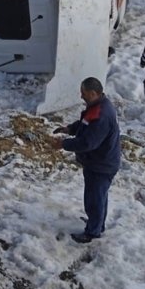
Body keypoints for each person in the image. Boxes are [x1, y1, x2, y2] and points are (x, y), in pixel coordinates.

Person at [52, 78, 121, 244]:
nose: (81, 96)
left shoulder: (101, 115)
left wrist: (63, 144)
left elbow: (88, 143)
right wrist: (70, 129)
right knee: (99, 197)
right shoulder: (98, 106)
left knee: (94, 200)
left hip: (101, 165)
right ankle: (97, 224)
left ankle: (92, 232)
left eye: (83, 93)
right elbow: (85, 123)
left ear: (93, 93)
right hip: (99, 162)